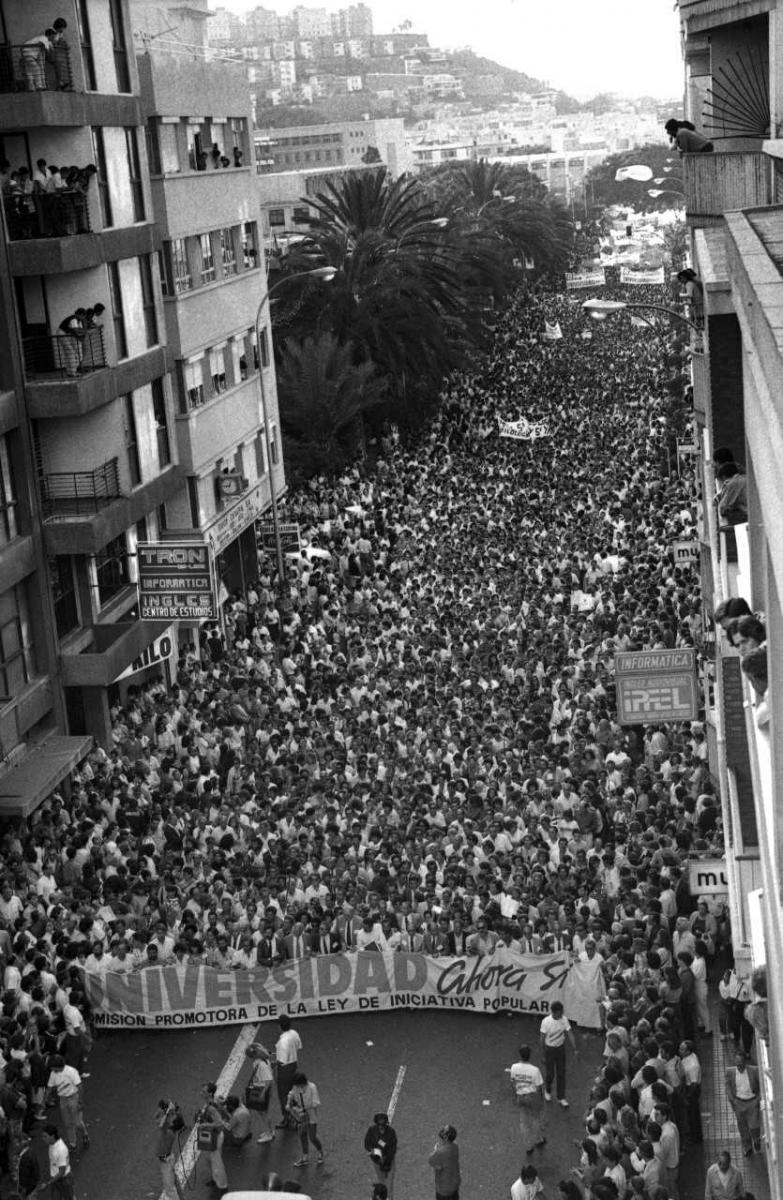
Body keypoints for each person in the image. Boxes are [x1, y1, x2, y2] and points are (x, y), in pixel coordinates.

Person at [540, 1001, 579, 1108]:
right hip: (550, 1050)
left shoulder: (564, 1019)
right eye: (560, 1012)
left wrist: (575, 1048)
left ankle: (561, 1097)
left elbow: (570, 1033)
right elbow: (542, 1039)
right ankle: (547, 1091)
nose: (561, 1014)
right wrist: (543, 1054)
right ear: (554, 1012)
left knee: (561, 1073)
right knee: (550, 1073)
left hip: (560, 1049)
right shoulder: (546, 1022)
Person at [47, 1054, 89, 1152]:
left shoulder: (71, 1072)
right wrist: (45, 1099)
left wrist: (81, 1102)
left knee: (77, 1123)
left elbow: (80, 1087)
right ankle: (72, 1144)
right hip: (63, 1099)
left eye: (53, 1067)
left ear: (58, 1066)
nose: (52, 1069)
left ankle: (85, 1134)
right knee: (68, 1124)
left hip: (73, 1097)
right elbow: (50, 1086)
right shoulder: (53, 1073)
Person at [508, 1044, 546, 1154]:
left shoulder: (514, 1067)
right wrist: (541, 1100)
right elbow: (539, 1087)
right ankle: (538, 1140)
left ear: (520, 1055)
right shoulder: (535, 1070)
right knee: (536, 1119)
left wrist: (515, 1095)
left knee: (524, 1122)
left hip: (520, 1096)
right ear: (530, 1055)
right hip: (532, 1096)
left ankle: (528, 1146)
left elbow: (513, 1082)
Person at [725, 1050, 761, 1157]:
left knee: (754, 1126)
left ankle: (756, 1139)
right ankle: (748, 1147)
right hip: (739, 1102)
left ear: (745, 1062)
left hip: (752, 1102)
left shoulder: (754, 1070)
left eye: (740, 1063)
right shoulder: (730, 1072)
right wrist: (733, 1100)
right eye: (736, 1062)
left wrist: (758, 1099)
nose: (738, 1066)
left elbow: (762, 1086)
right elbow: (728, 1087)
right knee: (742, 1127)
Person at [196, 1082, 228, 1195]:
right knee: (210, 1161)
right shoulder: (212, 1102)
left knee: (216, 1164)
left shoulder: (211, 1108)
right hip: (214, 1136)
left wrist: (206, 1125)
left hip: (215, 1137)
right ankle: (216, 1181)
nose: (201, 1093)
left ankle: (222, 1187)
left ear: (209, 1093)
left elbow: (220, 1124)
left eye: (204, 1092)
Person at [286, 1070, 323, 1167]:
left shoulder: (312, 1087)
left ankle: (320, 1151)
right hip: (301, 1115)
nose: (297, 1087)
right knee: (302, 1134)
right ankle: (305, 1156)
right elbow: (291, 1094)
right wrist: (289, 1103)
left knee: (312, 1136)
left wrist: (304, 1108)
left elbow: (316, 1103)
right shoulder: (295, 1087)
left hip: (310, 1115)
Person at [275, 1014, 302, 1127]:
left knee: (283, 1094)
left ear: (280, 1027)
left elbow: (281, 1060)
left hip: (284, 1070)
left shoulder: (282, 1042)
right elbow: (298, 1047)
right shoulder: (294, 1034)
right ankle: (296, 1114)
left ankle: (288, 1118)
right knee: (292, 1092)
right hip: (293, 1065)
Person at [156, 1099, 185, 1200]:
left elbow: (160, 1124)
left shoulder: (168, 1132)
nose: (170, 1117)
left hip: (166, 1162)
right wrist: (164, 1111)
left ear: (173, 1123)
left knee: (169, 1189)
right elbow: (157, 1119)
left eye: (172, 1117)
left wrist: (168, 1111)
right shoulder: (170, 1129)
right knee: (175, 1183)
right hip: (168, 1158)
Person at [246, 1043, 275, 1143]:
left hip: (261, 1089)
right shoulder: (265, 1061)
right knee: (264, 1112)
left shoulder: (259, 1064)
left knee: (263, 1113)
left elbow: (268, 1080)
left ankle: (268, 1133)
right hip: (264, 1089)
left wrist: (263, 1094)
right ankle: (270, 1131)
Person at [364, 1112, 398, 1197]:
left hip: (388, 1161)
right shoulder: (371, 1131)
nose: (381, 1127)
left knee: (389, 1186)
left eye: (383, 1125)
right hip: (377, 1162)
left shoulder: (391, 1132)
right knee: (382, 1183)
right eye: (379, 1125)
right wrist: (374, 1152)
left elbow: (393, 1148)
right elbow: (367, 1144)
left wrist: (386, 1159)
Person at [428, 1125, 460, 1200]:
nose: (442, 1130)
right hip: (454, 1185)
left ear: (446, 1137)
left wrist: (436, 1150)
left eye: (444, 1130)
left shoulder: (440, 1152)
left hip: (443, 1189)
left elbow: (431, 1160)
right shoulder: (455, 1146)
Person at [42, 1124, 74, 1200]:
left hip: (63, 1180)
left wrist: (48, 1183)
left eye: (45, 1136)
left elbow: (62, 1171)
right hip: (56, 1179)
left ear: (52, 1136)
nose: (43, 1139)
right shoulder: (52, 1144)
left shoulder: (60, 1150)